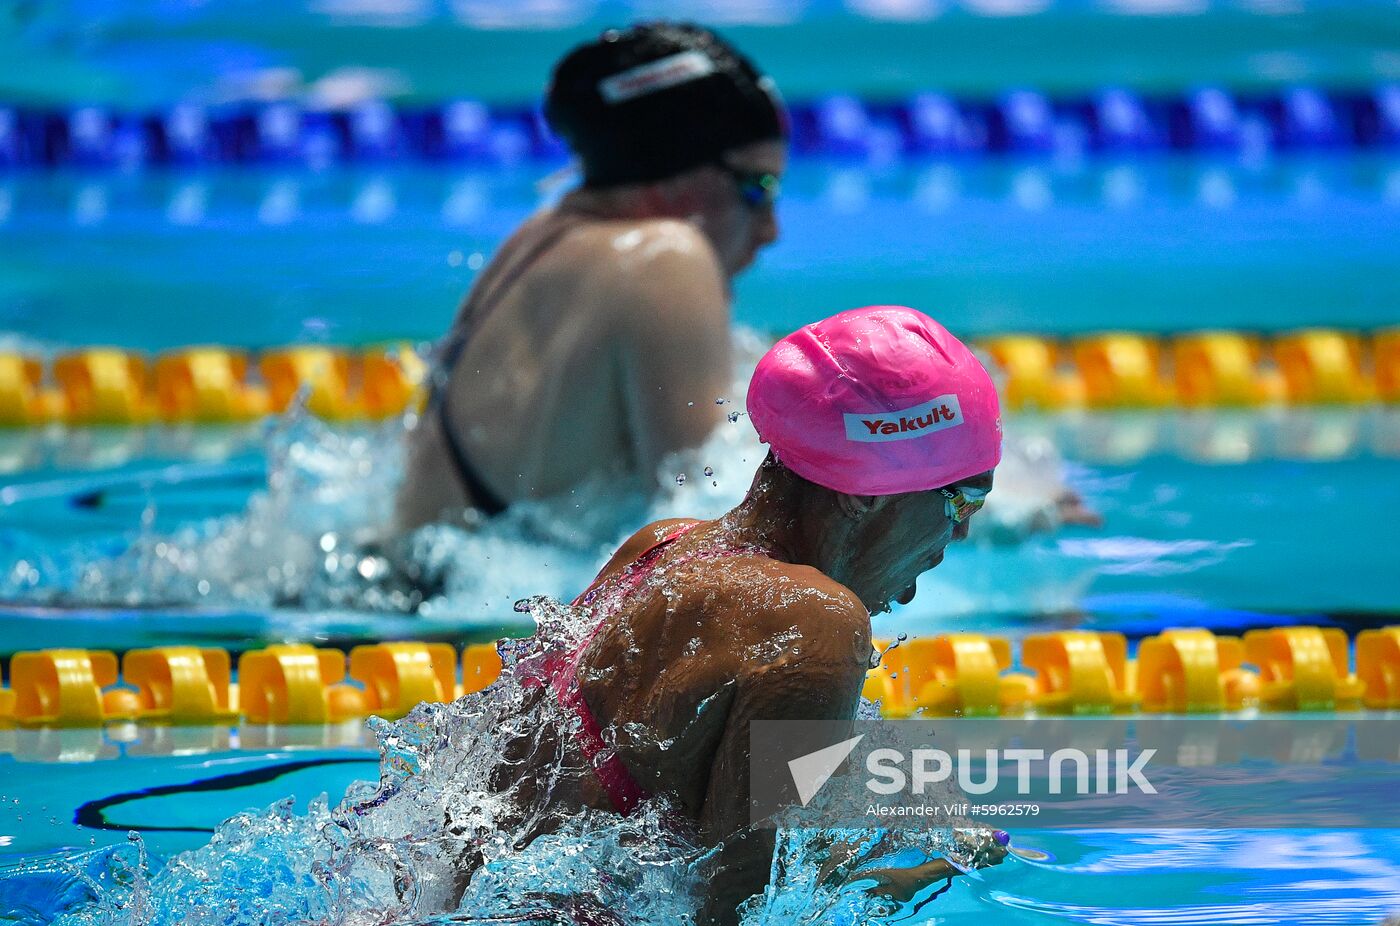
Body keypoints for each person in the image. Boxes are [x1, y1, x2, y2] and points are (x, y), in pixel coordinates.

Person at [475, 306, 1009, 924]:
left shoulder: (661, 547)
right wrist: (924, 875)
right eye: (963, 499)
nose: (963, 535)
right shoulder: (815, 622)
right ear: (867, 492)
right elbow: (744, 912)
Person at [396, 22, 787, 530]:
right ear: (675, 181)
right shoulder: (666, 257)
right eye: (757, 189)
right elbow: (712, 523)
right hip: (488, 606)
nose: (771, 229)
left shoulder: (542, 236)